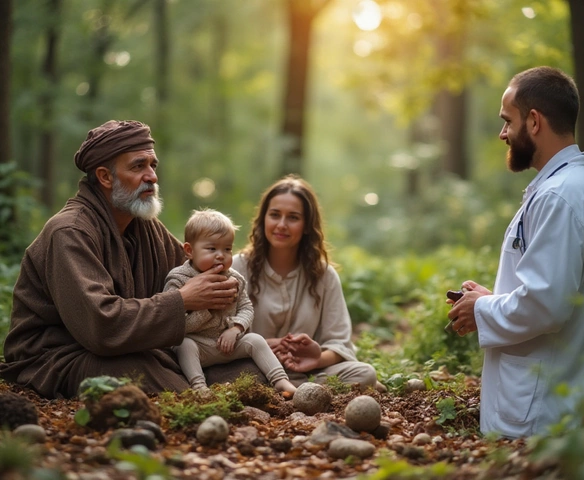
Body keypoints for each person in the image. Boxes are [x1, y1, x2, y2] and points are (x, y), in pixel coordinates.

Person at [0, 120, 264, 399]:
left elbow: (196, 270)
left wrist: (240, 331)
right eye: (138, 167)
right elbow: (101, 327)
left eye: (153, 165)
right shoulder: (70, 232)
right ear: (105, 177)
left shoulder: (144, 226)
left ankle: (202, 394)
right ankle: (197, 402)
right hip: (62, 357)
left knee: (249, 368)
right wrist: (182, 300)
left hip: (140, 350)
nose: (152, 176)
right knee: (142, 373)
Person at [447, 67, 584, 438]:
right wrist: (493, 300)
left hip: (549, 413)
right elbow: (555, 291)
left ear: (534, 120)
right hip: (559, 396)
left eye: (507, 121)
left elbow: (546, 304)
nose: (503, 133)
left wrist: (480, 310)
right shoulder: (572, 187)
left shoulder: (561, 196)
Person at [232, 174, 379, 389]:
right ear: (263, 219)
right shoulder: (238, 268)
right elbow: (218, 335)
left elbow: (340, 344)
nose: (281, 225)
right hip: (252, 368)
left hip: (308, 373)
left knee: (364, 373)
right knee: (224, 373)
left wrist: (315, 358)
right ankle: (298, 393)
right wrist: (259, 347)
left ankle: (301, 392)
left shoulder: (324, 276)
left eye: (293, 217)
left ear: (307, 225)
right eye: (274, 215)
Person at [163, 208, 297, 396]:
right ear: (189, 250)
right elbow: (174, 323)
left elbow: (246, 307)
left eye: (227, 249)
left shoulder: (234, 278)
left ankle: (280, 381)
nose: (221, 255)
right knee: (184, 345)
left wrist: (235, 329)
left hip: (227, 344)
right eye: (212, 249)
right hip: (199, 346)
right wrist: (206, 307)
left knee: (255, 340)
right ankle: (199, 387)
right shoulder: (179, 279)